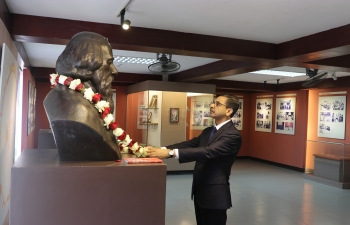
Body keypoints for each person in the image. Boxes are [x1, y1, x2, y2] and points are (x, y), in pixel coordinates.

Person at [146, 93, 242, 225]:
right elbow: (190, 144)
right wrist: (160, 149)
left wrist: (170, 153)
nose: (212, 105)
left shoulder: (232, 135)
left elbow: (208, 151)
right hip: (200, 190)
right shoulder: (209, 131)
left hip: (215, 194)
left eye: (218, 104)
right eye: (213, 103)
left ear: (229, 111)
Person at [44, 32, 121, 161]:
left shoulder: (87, 101)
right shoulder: (79, 110)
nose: (114, 71)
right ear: (87, 63)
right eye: (109, 62)